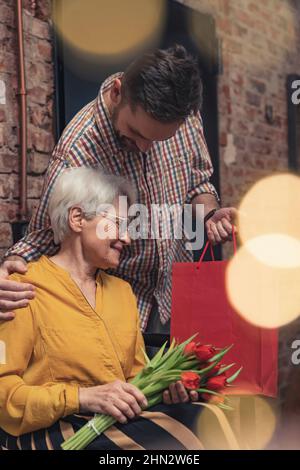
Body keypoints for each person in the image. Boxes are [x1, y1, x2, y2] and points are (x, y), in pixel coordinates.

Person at [0, 44, 236, 333]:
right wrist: (11, 267)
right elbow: (44, 236)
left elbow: (198, 181)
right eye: (136, 133)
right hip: (120, 306)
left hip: (178, 292)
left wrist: (210, 215)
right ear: (117, 92)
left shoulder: (185, 116)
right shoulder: (77, 151)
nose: (145, 148)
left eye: (159, 141)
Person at [0, 168, 207, 451]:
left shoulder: (122, 294)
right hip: (51, 430)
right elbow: (3, 393)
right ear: (77, 219)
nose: (128, 238)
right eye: (117, 224)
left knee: (207, 419)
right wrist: (82, 398)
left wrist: (163, 390)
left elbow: (136, 379)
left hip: (110, 423)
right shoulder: (22, 289)